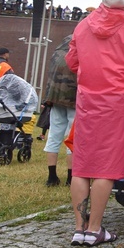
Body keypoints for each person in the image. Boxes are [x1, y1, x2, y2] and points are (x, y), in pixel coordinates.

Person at [65, 0, 124, 246]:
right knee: (105, 167)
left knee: (82, 166)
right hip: (118, 104)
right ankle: (94, 230)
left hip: (88, 101)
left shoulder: (83, 25)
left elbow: (72, 61)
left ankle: (79, 228)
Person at [43, 34, 77, 187]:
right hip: (74, 98)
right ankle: (71, 178)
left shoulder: (59, 48)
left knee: (54, 136)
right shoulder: (82, 48)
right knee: (72, 137)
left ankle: (52, 177)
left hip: (55, 97)